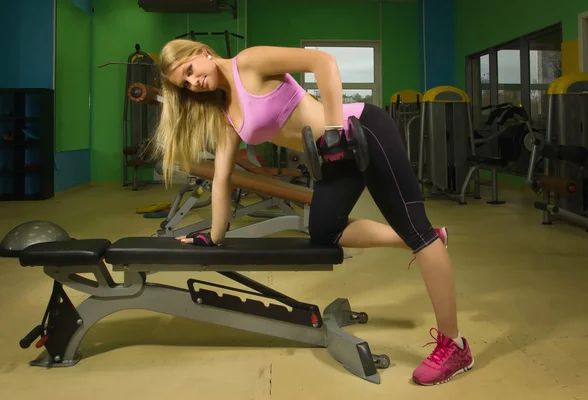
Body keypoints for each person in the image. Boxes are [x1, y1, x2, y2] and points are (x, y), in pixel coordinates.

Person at [151, 39, 474, 386]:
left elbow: (323, 62)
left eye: (189, 71)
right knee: (324, 233)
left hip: (361, 131)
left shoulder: (250, 62)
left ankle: (455, 345)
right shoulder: (225, 110)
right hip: (332, 154)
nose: (193, 82)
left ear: (201, 53)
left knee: (417, 231)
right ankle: (426, 241)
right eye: (185, 84)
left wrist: (334, 131)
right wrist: (213, 236)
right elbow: (222, 176)